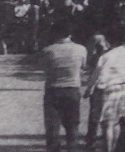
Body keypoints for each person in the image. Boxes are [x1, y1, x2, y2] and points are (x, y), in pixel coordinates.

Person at [84, 28, 125, 152]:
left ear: (108, 40)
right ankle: (113, 147)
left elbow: (98, 74)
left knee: (107, 124)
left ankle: (107, 149)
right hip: (124, 88)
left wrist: (89, 89)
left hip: (109, 89)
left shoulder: (106, 56)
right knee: (117, 122)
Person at [40, 21, 87, 152]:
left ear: (54, 33)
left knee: (52, 129)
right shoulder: (81, 49)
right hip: (72, 90)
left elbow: (45, 69)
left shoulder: (48, 51)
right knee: (72, 127)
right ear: (70, 34)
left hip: (53, 90)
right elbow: (83, 67)